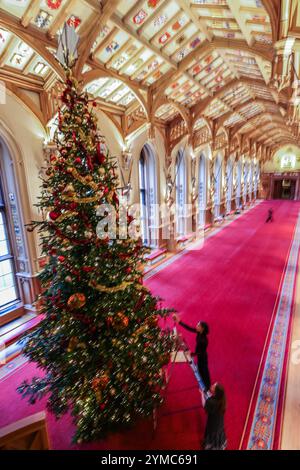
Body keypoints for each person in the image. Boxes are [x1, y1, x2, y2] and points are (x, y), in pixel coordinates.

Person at [173, 314, 211, 391]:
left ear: (202, 329)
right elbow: (189, 328)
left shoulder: (203, 341)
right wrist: (180, 322)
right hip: (200, 355)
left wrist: (192, 354)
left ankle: (208, 387)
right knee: (200, 371)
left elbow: (200, 352)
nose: (196, 326)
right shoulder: (199, 332)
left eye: (198, 325)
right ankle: (204, 386)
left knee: (204, 371)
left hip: (202, 357)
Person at [201, 383, 227, 450]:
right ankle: (220, 444)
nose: (211, 386)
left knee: (212, 434)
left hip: (213, 424)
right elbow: (210, 398)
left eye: (213, 386)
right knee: (218, 432)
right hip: (220, 423)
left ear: (215, 392)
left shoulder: (212, 402)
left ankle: (213, 447)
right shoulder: (222, 399)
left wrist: (201, 394)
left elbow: (204, 405)